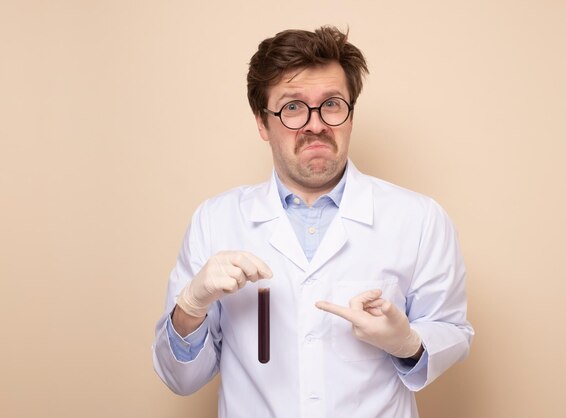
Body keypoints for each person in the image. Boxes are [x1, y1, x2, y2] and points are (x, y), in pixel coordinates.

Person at [152, 26, 473, 418]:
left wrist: (408, 343)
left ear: (351, 114)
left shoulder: (419, 219)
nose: (315, 124)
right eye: (292, 107)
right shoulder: (215, 220)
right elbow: (180, 380)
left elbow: (453, 332)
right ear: (261, 122)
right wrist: (191, 305)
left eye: (332, 104)